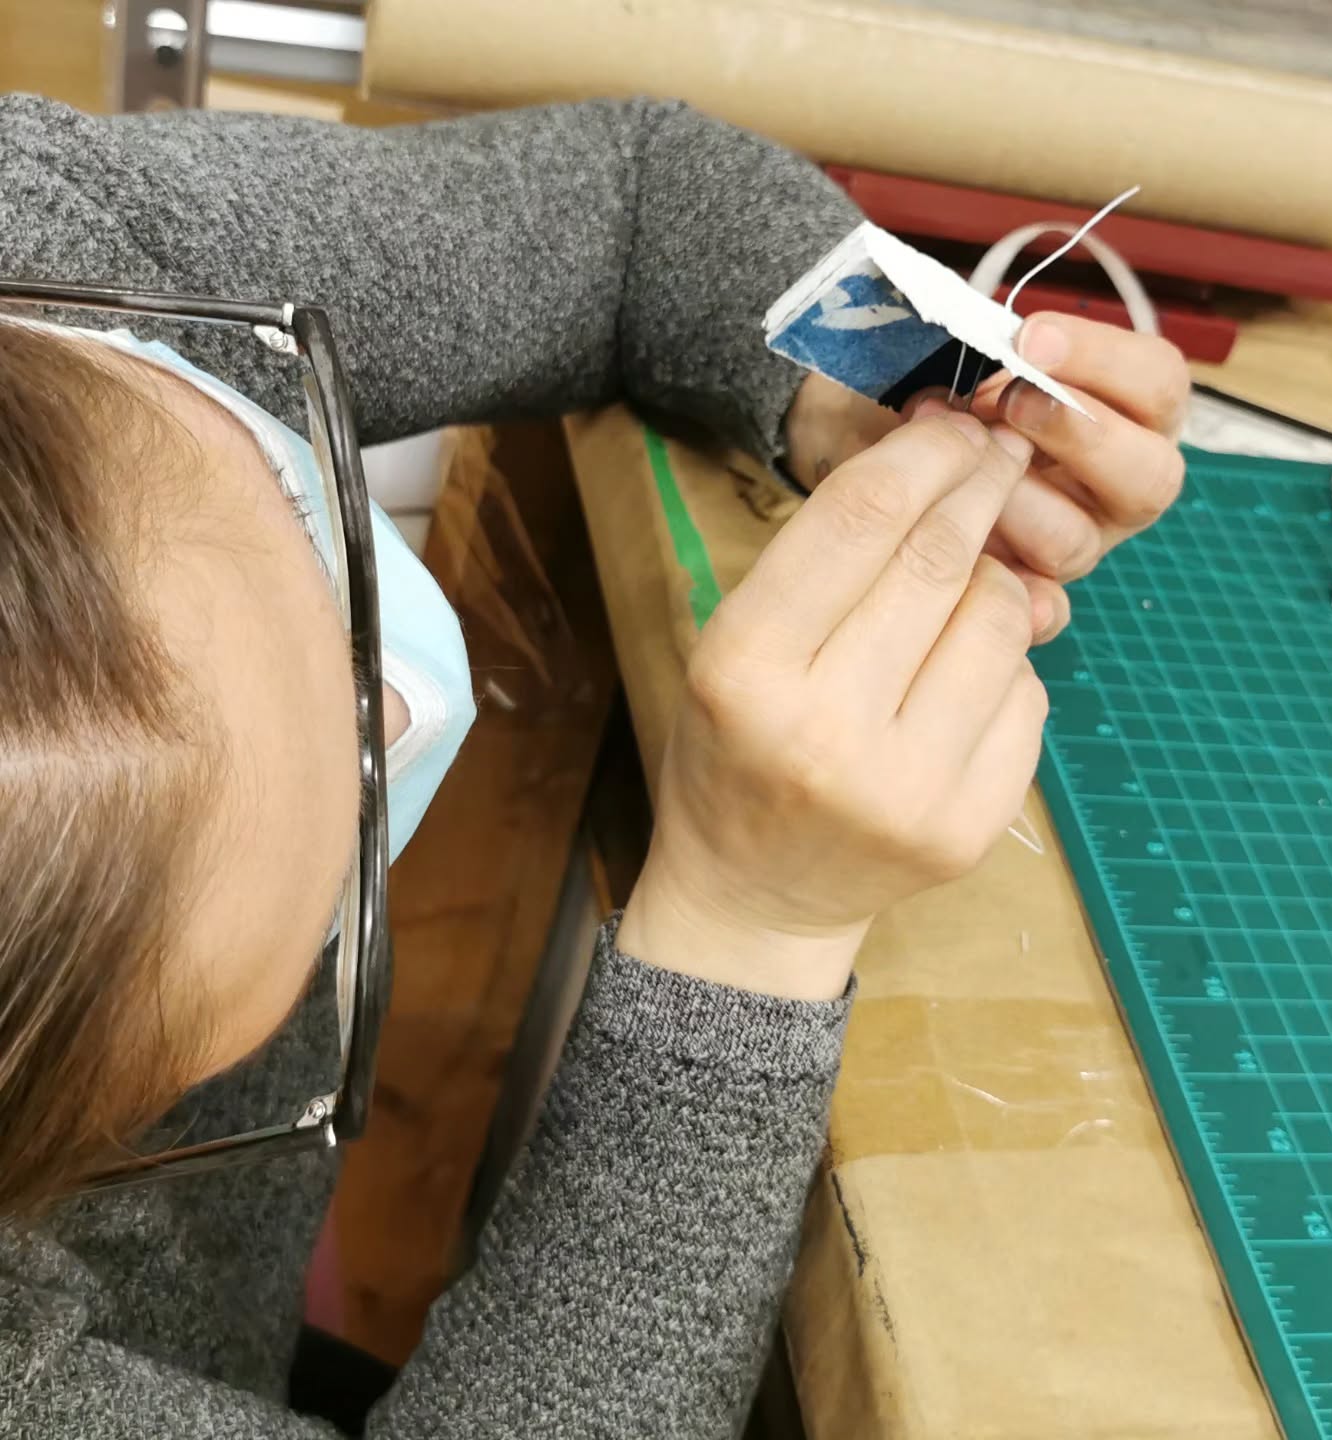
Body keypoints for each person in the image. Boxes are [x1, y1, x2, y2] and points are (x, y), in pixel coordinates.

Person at [0, 94, 1188, 1437]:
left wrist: (870, 379)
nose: (395, 715)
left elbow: (641, 204)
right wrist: (746, 934)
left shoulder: (51, 237)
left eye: (293, 501)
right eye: (327, 886)